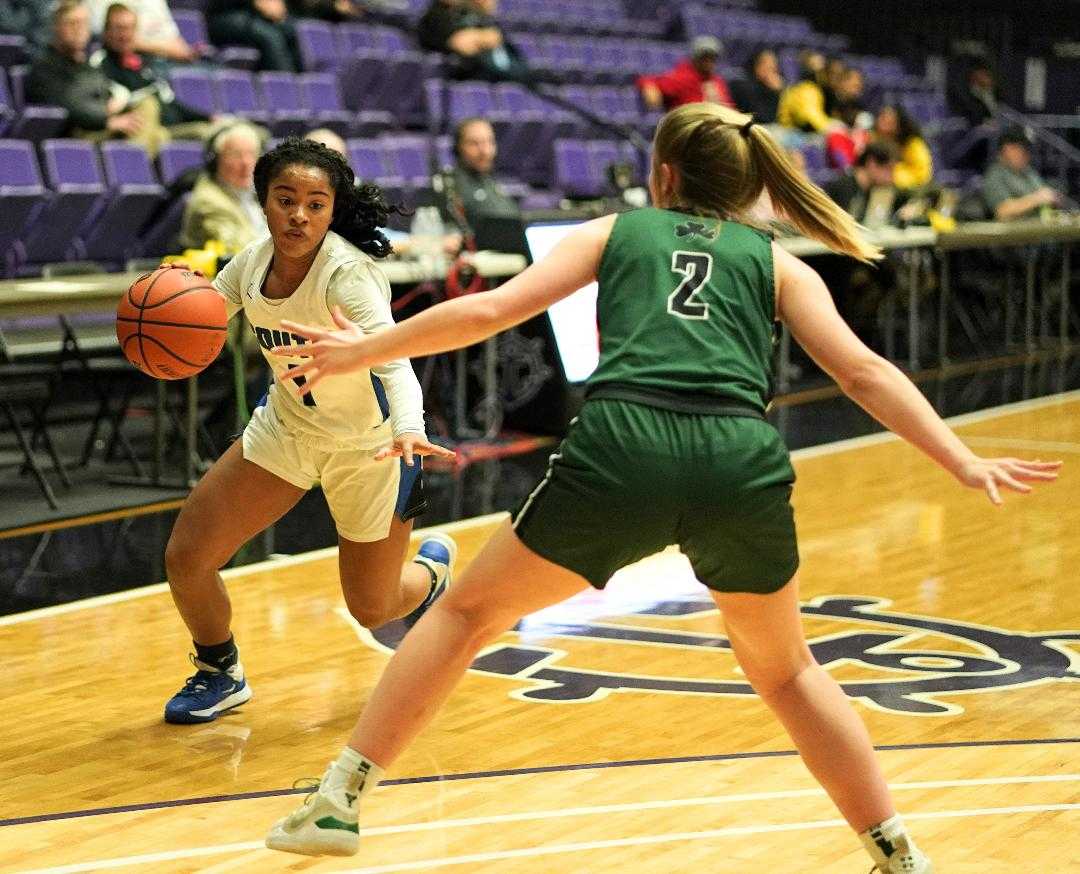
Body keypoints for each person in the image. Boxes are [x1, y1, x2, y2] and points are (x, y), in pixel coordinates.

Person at [262, 103, 1061, 871]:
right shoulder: (777, 261)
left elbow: (493, 308)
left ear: (665, 174)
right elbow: (862, 372)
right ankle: (899, 854)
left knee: (467, 614)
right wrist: (961, 457)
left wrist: (364, 350)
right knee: (787, 673)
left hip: (626, 446)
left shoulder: (616, 230)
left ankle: (340, 799)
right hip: (739, 461)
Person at [162, 137, 459, 725]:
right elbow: (205, 319)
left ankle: (432, 573)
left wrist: (408, 430)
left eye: (315, 204)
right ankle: (219, 672)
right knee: (187, 556)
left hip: (371, 447)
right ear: (265, 201)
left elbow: (395, 361)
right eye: (286, 199)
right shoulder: (251, 261)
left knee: (373, 608)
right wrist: (168, 310)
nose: (299, 215)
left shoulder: (348, 277)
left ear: (331, 210)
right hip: (288, 429)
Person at [26, 0, 168, 154]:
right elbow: (70, 106)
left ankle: (135, 165)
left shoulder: (87, 65)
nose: (79, 30)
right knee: (152, 124)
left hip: (99, 127)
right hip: (74, 136)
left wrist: (117, 102)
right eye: (72, 23)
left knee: (157, 126)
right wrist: (107, 120)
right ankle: (134, 169)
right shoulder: (45, 67)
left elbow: (108, 90)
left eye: (84, 24)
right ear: (56, 27)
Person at [90, 3, 213, 140]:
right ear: (107, 31)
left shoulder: (144, 65)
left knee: (214, 131)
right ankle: (136, 159)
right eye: (120, 28)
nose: (125, 35)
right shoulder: (99, 63)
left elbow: (170, 101)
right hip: (135, 130)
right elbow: (112, 103)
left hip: (167, 129)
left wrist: (208, 117)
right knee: (148, 104)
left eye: (130, 28)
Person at [179, 122, 267, 253]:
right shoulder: (208, 202)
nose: (246, 163)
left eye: (252, 154)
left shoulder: (255, 192)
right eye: (236, 155)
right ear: (215, 161)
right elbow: (242, 250)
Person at [436, 116, 519, 236]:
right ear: (458, 148)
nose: (484, 151)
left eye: (489, 142)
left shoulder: (491, 184)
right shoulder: (448, 184)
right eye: (474, 144)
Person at [417, 0, 528, 83]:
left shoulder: (484, 21)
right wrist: (481, 38)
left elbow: (518, 65)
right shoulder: (435, 18)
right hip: (472, 80)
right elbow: (462, 44)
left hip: (508, 79)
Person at [981, 126, 1061, 221]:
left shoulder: (1028, 172)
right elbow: (1003, 211)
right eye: (1021, 149)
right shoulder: (995, 174)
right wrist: (1037, 199)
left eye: (1027, 149)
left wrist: (1052, 198)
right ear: (1007, 149)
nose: (1026, 154)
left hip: (1037, 230)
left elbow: (1043, 193)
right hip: (1012, 233)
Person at [638, 35, 733, 112]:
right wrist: (649, 87)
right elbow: (649, 80)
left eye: (712, 58)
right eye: (704, 57)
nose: (709, 62)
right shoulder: (682, 78)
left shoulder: (718, 81)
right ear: (695, 58)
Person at [86, 0, 198, 63]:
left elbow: (181, 50)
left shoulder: (154, 2)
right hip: (113, 62)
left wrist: (136, 43)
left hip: (161, 63)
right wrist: (161, 47)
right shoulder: (96, 3)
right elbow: (112, 40)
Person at [207, 0, 301, 72]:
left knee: (291, 30)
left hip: (256, 16)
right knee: (269, 36)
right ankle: (283, 88)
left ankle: (302, 87)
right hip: (225, 14)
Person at [874, 104, 933, 190]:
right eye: (882, 118)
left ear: (899, 125)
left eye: (888, 122)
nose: (881, 124)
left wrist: (895, 176)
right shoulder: (874, 138)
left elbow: (923, 175)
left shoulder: (914, 144)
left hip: (908, 189)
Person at [777, 49, 836, 134]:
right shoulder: (806, 89)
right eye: (821, 70)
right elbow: (810, 118)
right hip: (791, 132)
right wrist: (832, 127)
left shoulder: (817, 89)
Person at [729, 47, 782, 124]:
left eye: (774, 66)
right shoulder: (743, 86)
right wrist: (774, 93)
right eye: (769, 66)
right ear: (758, 66)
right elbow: (763, 118)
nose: (774, 70)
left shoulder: (766, 86)